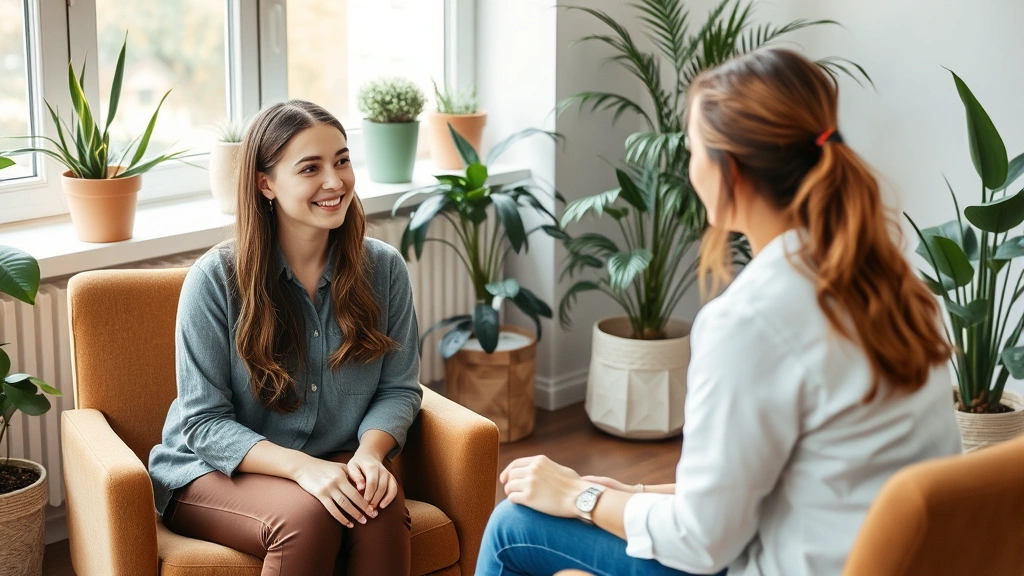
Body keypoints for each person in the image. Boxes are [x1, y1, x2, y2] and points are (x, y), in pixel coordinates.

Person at [476, 48, 962, 576]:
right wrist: (633, 492)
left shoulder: (751, 321)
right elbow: (790, 476)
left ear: (730, 168)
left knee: (511, 525)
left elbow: (701, 543)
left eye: (693, 150)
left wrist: (578, 497)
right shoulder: (894, 286)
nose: (690, 168)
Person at [148, 100, 422, 576]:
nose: (335, 182)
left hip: (334, 453)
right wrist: (301, 468)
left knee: (379, 509)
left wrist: (371, 455)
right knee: (306, 517)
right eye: (310, 168)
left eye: (341, 160)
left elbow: (398, 387)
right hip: (210, 469)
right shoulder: (215, 280)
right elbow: (204, 422)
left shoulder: (385, 270)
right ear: (265, 183)